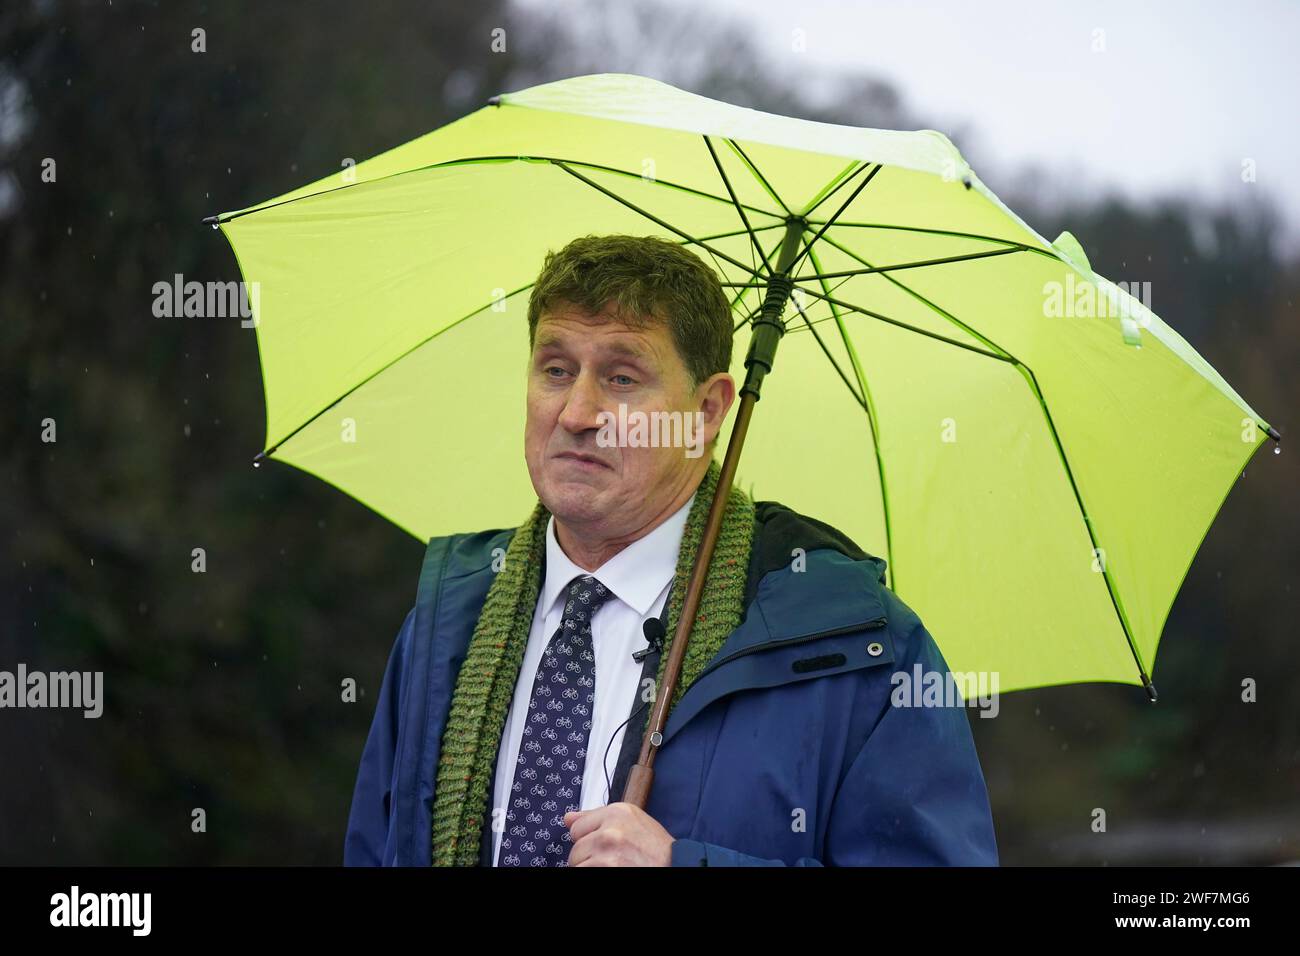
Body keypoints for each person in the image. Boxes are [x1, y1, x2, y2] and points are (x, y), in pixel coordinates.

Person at [343, 234, 999, 867]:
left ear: (708, 410)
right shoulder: (447, 623)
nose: (576, 412)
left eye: (622, 379)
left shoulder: (857, 648)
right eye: (555, 369)